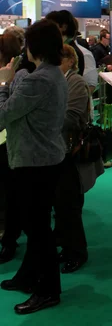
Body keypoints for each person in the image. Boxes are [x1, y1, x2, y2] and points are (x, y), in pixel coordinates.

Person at [0, 19, 68, 315]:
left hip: (34, 162)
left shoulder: (38, 79)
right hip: (44, 159)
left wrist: (5, 83)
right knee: (35, 224)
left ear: (32, 46)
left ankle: (48, 290)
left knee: (37, 228)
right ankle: (28, 277)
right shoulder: (52, 75)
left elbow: (4, 114)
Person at [55, 45, 101, 275]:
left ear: (70, 61)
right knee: (63, 205)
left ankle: (77, 252)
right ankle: (67, 247)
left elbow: (72, 118)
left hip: (70, 150)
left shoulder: (75, 83)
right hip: (59, 150)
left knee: (71, 205)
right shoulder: (62, 80)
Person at [0, 33, 25, 264]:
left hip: (8, 140)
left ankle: (9, 239)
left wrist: (4, 84)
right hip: (8, 140)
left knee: (10, 193)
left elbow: (5, 112)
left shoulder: (16, 76)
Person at [45, 10, 85, 76]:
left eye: (52, 26)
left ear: (64, 27)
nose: (47, 31)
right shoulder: (56, 49)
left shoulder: (72, 52)